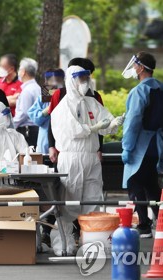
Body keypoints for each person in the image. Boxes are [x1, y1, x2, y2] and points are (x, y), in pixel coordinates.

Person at [50, 65, 124, 256]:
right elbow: (73, 131)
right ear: (71, 80)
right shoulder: (63, 107)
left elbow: (105, 121)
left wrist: (113, 124)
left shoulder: (91, 102)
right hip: (71, 157)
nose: (85, 82)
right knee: (69, 203)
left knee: (93, 201)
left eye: (86, 77)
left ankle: (93, 242)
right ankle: (63, 244)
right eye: (80, 78)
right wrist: (93, 128)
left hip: (91, 158)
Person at [121, 51, 163, 238]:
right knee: (151, 183)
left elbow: (133, 121)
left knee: (134, 183)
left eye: (135, 65)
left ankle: (143, 224)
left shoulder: (139, 91)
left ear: (141, 67)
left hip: (140, 146)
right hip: (156, 146)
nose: (133, 68)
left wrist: (127, 147)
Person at [47, 58, 105, 163]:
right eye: (83, 75)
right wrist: (51, 146)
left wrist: (100, 149)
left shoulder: (95, 96)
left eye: (88, 75)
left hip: (90, 151)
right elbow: (52, 123)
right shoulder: (59, 95)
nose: (87, 79)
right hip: (66, 151)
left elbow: (100, 124)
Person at [28, 69, 65, 154]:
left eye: (58, 80)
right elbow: (35, 119)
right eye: (51, 80)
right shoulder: (42, 98)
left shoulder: (67, 97)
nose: (55, 83)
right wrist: (45, 111)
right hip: (45, 142)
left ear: (63, 81)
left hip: (63, 141)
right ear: (47, 81)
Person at [13, 58, 40, 147]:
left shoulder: (27, 91)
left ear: (23, 71)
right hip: (36, 130)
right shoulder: (37, 88)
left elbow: (23, 113)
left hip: (28, 131)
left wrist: (11, 125)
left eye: (19, 69)